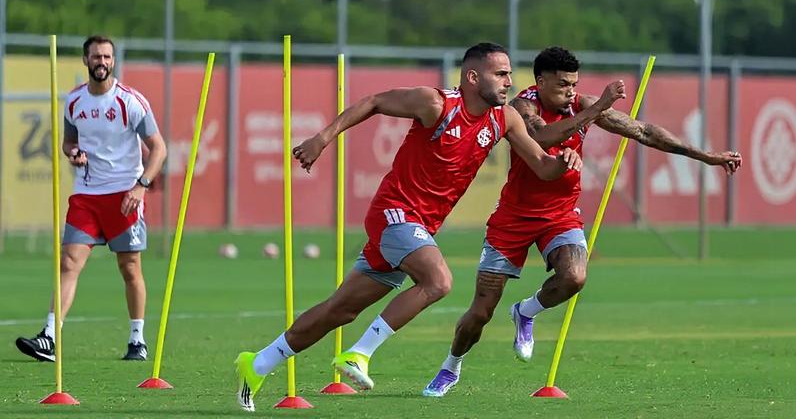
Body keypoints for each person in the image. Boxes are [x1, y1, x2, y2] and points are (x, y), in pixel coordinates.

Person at [233, 42, 626, 412]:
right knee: (438, 281)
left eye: (509, 74)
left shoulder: (503, 118)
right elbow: (374, 101)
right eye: (501, 74)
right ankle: (359, 354)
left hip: (422, 225)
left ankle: (258, 362)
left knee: (341, 309)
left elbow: (542, 165)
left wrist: (564, 164)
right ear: (473, 77)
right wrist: (323, 137)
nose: (509, 82)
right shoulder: (435, 102)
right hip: (394, 212)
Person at [422, 46, 743, 397]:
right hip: (512, 218)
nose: (571, 92)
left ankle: (525, 312)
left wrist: (706, 157)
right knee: (481, 311)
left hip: (560, 215)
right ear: (540, 82)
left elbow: (644, 131)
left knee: (575, 276)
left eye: (574, 85)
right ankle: (450, 367)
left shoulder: (582, 105)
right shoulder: (522, 107)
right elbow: (543, 138)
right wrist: (599, 107)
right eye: (562, 85)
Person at [14, 35, 167, 362]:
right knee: (68, 261)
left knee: (129, 268)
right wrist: (74, 153)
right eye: (96, 56)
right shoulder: (74, 102)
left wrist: (141, 186)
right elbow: (68, 143)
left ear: (114, 61)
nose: (102, 62)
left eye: (107, 57)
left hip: (125, 196)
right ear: (86, 60)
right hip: (86, 195)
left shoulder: (131, 101)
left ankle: (137, 340)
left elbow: (159, 149)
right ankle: (49, 336)